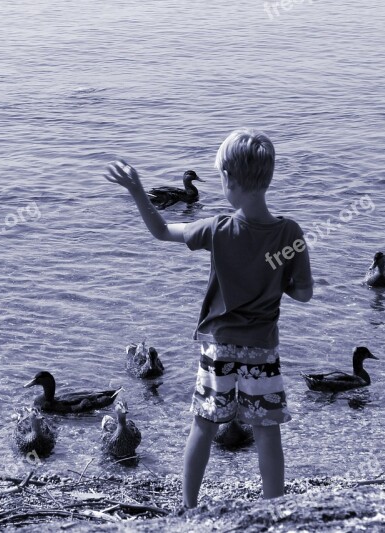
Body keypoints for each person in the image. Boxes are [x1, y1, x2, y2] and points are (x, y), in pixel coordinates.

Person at [104, 129, 313, 508]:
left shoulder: (217, 229)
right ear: (267, 177)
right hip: (262, 352)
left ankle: (188, 509)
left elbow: (162, 230)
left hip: (219, 348)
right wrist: (277, 279)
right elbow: (303, 293)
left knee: (203, 425)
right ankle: (275, 510)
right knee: (267, 432)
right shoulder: (290, 233)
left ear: (230, 181)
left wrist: (137, 191)